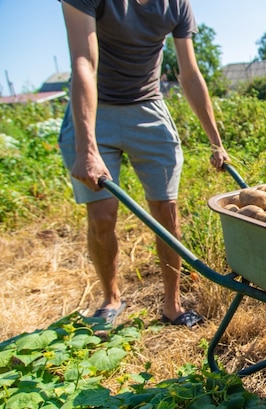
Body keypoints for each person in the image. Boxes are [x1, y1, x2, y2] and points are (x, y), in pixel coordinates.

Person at [58, 0, 229, 328]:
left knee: (167, 214)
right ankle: (111, 299)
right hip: (97, 109)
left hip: (148, 107)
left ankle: (172, 305)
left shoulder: (177, 5)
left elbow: (189, 73)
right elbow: (84, 61)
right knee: (102, 215)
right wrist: (87, 148)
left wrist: (216, 141)